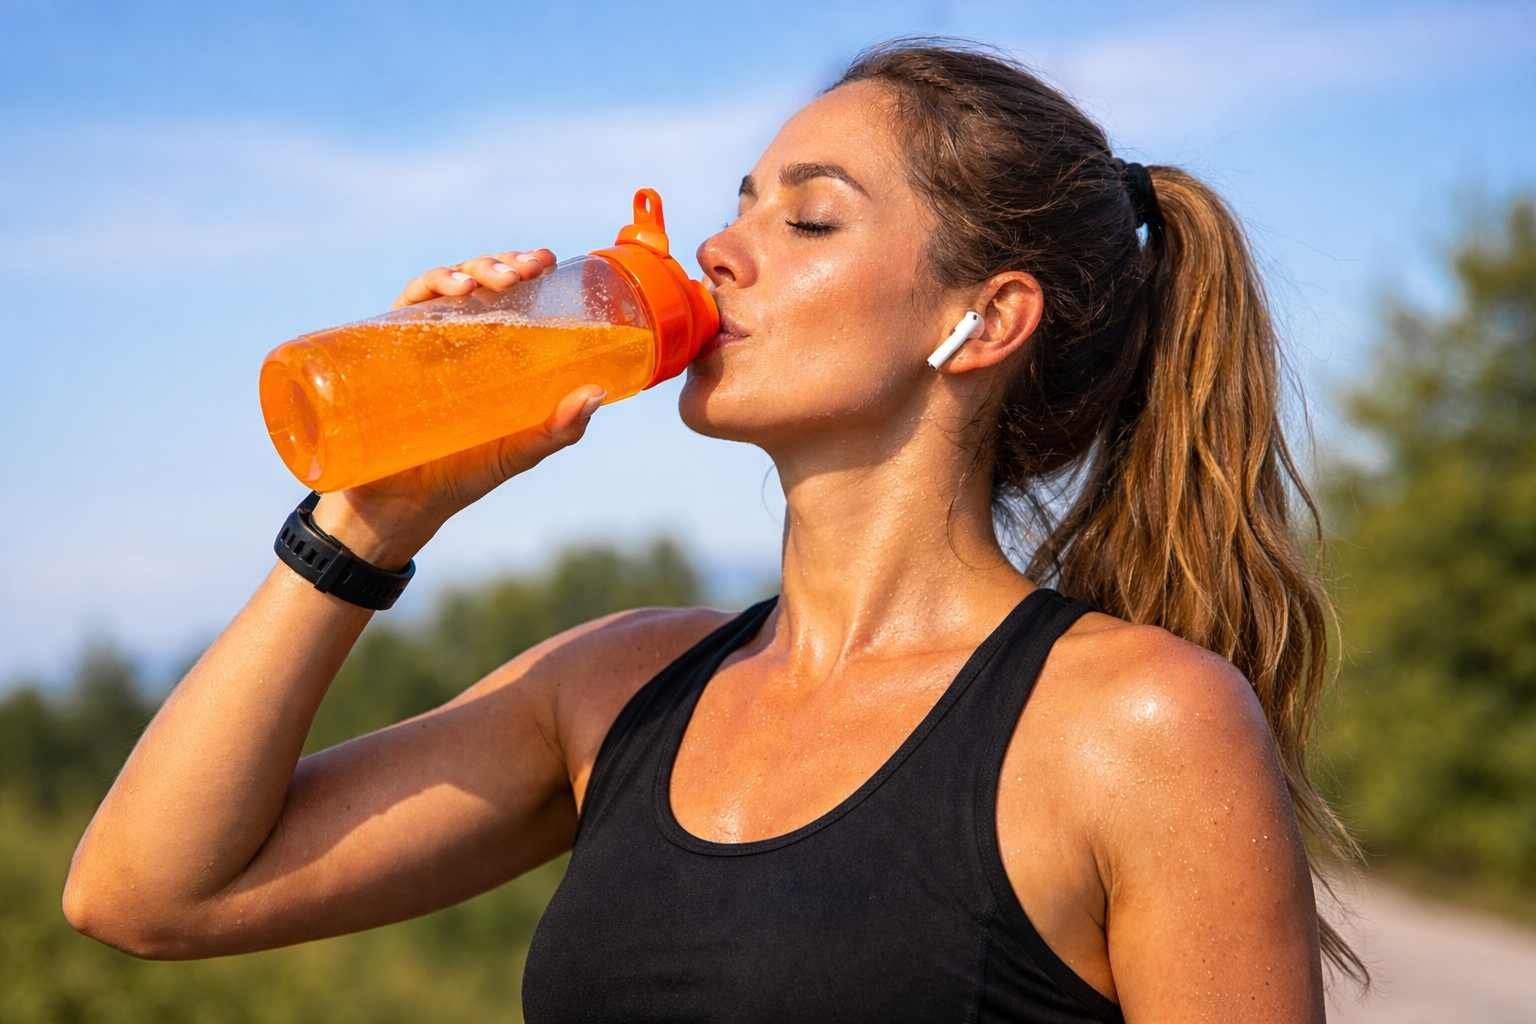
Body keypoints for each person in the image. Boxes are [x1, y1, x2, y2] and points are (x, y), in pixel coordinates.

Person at [62, 35, 1369, 1023]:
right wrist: (374, 514)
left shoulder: (1136, 724)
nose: (719, 252)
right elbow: (146, 894)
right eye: (742, 203)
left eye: (806, 217)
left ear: (982, 321)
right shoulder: (619, 686)